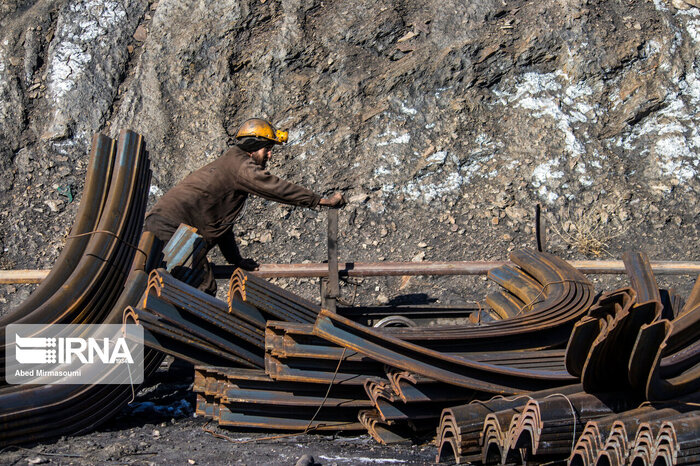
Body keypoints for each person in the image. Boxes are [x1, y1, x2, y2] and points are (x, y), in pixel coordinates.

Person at [143, 118, 345, 295]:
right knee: (200, 286)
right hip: (171, 229)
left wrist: (236, 260)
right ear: (253, 147)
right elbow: (274, 187)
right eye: (267, 149)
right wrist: (320, 200)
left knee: (178, 285)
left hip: (168, 227)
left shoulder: (230, 166)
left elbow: (221, 227)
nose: (269, 156)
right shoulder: (240, 166)